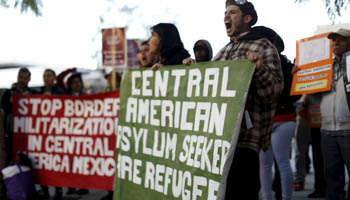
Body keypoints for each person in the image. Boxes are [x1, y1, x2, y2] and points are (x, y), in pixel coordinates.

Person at [211, 1, 284, 199]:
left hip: (245, 140)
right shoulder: (224, 51)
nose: (226, 16)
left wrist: (259, 69)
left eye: (233, 12)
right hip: (221, 141)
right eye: (225, 12)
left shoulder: (264, 46)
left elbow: (273, 92)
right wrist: (190, 70)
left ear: (247, 19)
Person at [306, 28, 350, 200]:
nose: (336, 43)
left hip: (348, 130)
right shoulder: (325, 68)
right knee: (332, 180)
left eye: (341, 39)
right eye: (334, 40)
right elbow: (317, 99)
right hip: (327, 132)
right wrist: (303, 79)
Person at [258, 28, 299, 200]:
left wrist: (297, 77)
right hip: (269, 119)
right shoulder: (286, 66)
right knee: (270, 164)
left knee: (276, 163)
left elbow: (295, 94)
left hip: (280, 118)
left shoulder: (289, 67)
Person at [57, 68, 89, 195]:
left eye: (79, 82)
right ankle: (71, 186)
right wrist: (70, 70)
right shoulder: (66, 95)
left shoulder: (86, 97)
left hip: (82, 134)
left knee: (81, 162)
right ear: (70, 85)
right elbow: (59, 79)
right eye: (75, 82)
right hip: (69, 134)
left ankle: (83, 186)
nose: (78, 84)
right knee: (70, 162)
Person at [37, 69, 64, 200]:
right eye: (44, 76)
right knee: (42, 164)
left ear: (54, 78)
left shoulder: (60, 92)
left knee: (55, 164)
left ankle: (58, 191)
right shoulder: (37, 92)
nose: (46, 78)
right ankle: (45, 191)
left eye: (49, 76)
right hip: (41, 134)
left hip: (55, 134)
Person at [1, 67, 36, 165]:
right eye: (21, 77)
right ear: (17, 78)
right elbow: (4, 106)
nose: (22, 80)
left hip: (27, 132)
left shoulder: (33, 93)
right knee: (10, 157)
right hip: (12, 132)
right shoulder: (9, 92)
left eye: (25, 78)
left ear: (29, 80)